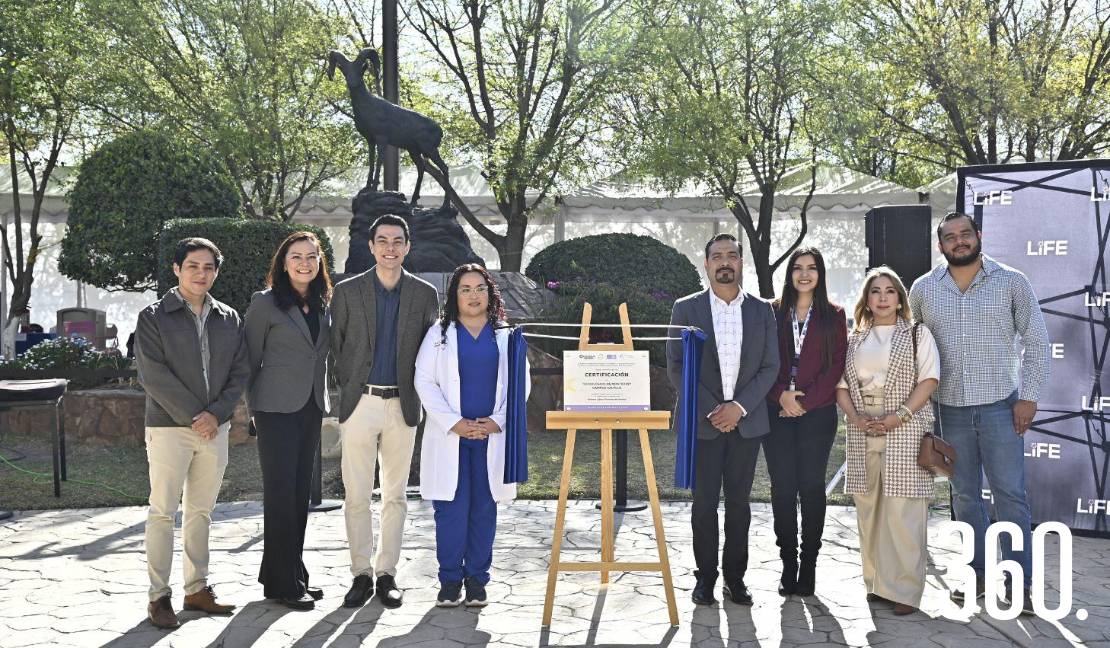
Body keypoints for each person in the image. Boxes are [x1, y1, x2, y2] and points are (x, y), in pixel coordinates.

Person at [909, 212, 1049, 614]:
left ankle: (1019, 582)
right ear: (941, 246)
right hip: (948, 411)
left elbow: (1037, 340)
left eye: (965, 234)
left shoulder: (1011, 281)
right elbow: (911, 346)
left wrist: (1030, 396)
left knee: (1010, 497)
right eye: (950, 238)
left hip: (1001, 408)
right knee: (965, 497)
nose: (959, 242)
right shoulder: (923, 289)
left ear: (978, 236)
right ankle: (979, 575)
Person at [134, 237, 249, 629]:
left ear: (216, 271)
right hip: (169, 428)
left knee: (201, 511)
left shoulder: (229, 318)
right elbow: (153, 375)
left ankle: (197, 589)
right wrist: (194, 416)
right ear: (176, 269)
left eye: (209, 267)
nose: (201, 274)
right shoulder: (153, 316)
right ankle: (159, 597)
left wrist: (215, 415)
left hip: (214, 430)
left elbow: (239, 372)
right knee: (163, 512)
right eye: (193, 266)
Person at [331, 214, 440, 609]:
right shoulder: (346, 292)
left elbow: (432, 352)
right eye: (383, 241)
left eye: (397, 241)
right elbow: (336, 347)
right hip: (360, 403)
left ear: (407, 247)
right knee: (356, 494)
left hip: (403, 405)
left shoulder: (426, 295)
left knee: (395, 495)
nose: (390, 248)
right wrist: (347, 391)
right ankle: (360, 573)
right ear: (371, 246)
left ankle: (386, 574)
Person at [666, 233, 779, 606]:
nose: (725, 262)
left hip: (747, 424)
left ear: (741, 262)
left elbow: (770, 366)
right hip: (704, 423)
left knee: (740, 506)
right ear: (707, 263)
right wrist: (713, 410)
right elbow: (677, 366)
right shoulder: (686, 308)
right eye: (717, 256)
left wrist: (738, 408)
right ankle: (705, 579)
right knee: (703, 506)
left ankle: (735, 578)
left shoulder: (763, 310)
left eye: (732, 255)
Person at [414, 264, 529, 608]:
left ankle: (477, 580)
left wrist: (496, 421)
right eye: (465, 289)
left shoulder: (507, 335)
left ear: (490, 293)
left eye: (479, 288)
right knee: (450, 510)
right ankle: (450, 581)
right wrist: (455, 423)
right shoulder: (439, 334)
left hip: (490, 437)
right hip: (452, 436)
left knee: (483, 509)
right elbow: (424, 381)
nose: (473, 295)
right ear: (454, 295)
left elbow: (522, 385)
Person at [836, 266, 939, 615]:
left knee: (903, 513)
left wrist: (898, 417)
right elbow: (841, 387)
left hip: (905, 427)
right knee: (870, 511)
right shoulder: (854, 340)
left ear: (900, 298)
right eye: (875, 291)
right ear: (866, 299)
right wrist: (857, 418)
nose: (882, 297)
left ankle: (906, 593)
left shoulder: (916, 334)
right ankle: (878, 584)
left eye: (889, 291)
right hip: (863, 428)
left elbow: (929, 380)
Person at [244, 232, 333, 611]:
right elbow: (248, 359)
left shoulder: (322, 303)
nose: (304, 263)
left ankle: (289, 573)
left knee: (298, 495)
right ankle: (283, 585)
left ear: (319, 263)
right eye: (296, 256)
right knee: (281, 496)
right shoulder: (265, 303)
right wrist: (252, 410)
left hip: (311, 405)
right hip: (274, 410)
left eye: (311, 257)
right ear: (283, 262)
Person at [764, 247, 847, 597]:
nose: (804, 274)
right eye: (797, 268)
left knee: (811, 487)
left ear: (820, 274)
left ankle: (809, 563)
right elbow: (760, 360)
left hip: (818, 414)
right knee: (783, 488)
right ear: (789, 274)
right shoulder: (772, 312)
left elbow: (836, 365)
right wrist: (781, 395)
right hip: (776, 411)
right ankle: (788, 563)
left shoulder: (834, 314)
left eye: (812, 268)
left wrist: (804, 403)